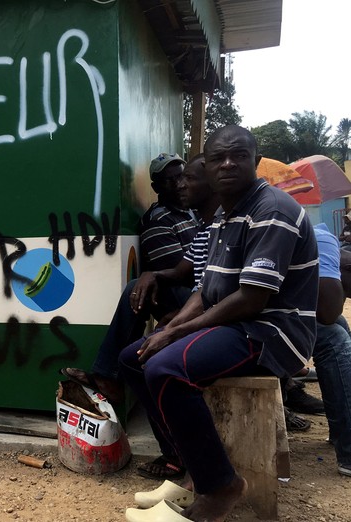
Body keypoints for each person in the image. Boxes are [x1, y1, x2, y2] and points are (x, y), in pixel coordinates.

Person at [118, 125, 318, 521]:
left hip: (273, 331)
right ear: (206, 167)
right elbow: (205, 290)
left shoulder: (270, 209)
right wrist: (167, 331)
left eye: (238, 156)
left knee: (166, 369)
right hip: (241, 325)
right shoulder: (226, 215)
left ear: (255, 161)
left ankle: (219, 486)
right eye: (217, 158)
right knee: (132, 358)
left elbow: (251, 298)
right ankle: (191, 468)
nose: (227, 164)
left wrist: (173, 333)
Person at [63, 155, 219, 479]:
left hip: (213, 306)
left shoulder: (210, 220)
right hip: (191, 296)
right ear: (156, 187)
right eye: (174, 179)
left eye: (186, 178)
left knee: (144, 359)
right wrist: (159, 284)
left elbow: (211, 284)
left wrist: (180, 320)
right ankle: (110, 375)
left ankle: (109, 375)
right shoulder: (162, 219)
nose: (181, 184)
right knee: (138, 325)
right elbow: (183, 273)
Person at [310, 223, 351, 477]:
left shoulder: (323, 238)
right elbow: (326, 312)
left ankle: (340, 432)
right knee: (334, 338)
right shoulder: (323, 240)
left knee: (341, 324)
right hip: (250, 323)